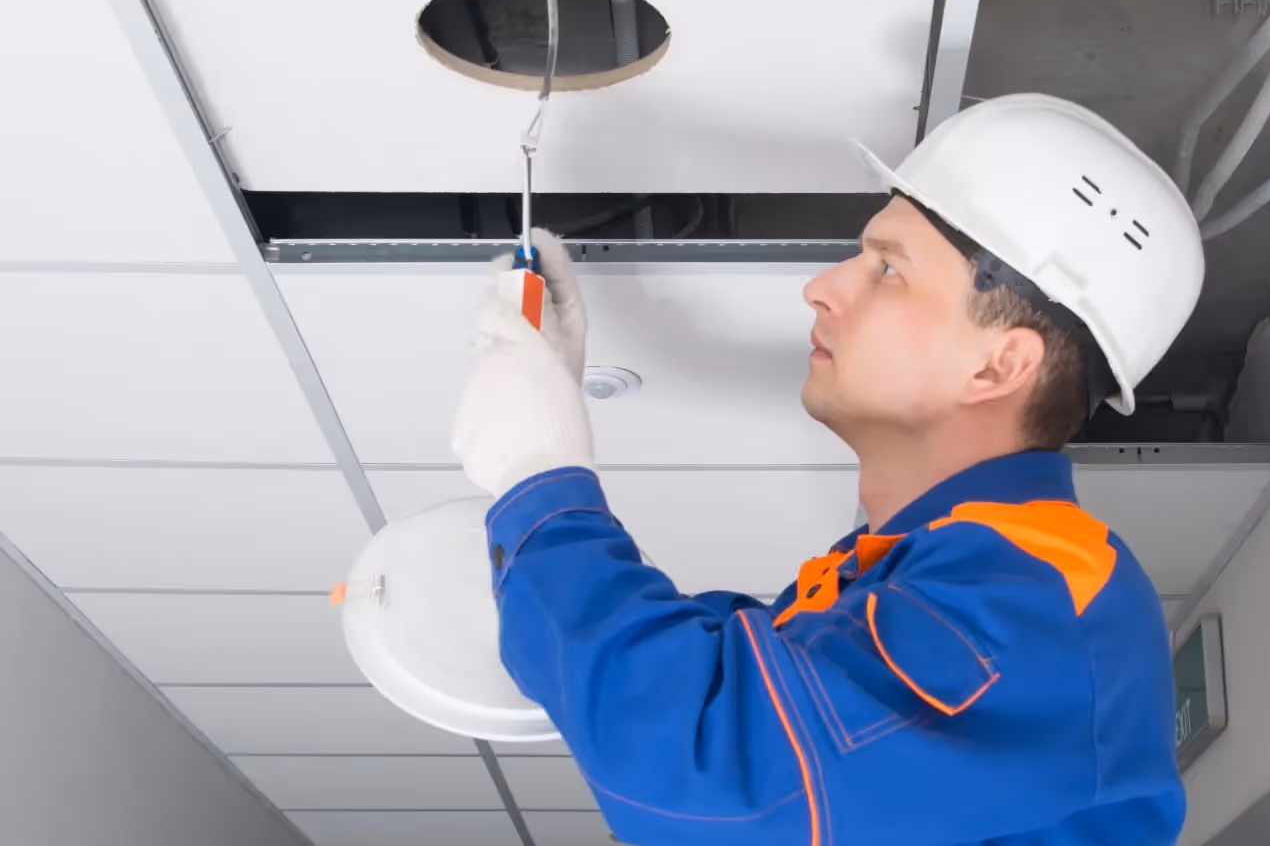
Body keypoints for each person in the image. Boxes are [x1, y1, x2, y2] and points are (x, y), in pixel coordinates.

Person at [451, 94, 1205, 845]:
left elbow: (716, 776)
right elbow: (713, 686)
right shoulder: (893, 576)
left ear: (999, 363)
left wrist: (541, 484)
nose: (824, 286)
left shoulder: (1036, 603)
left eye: (887, 270)